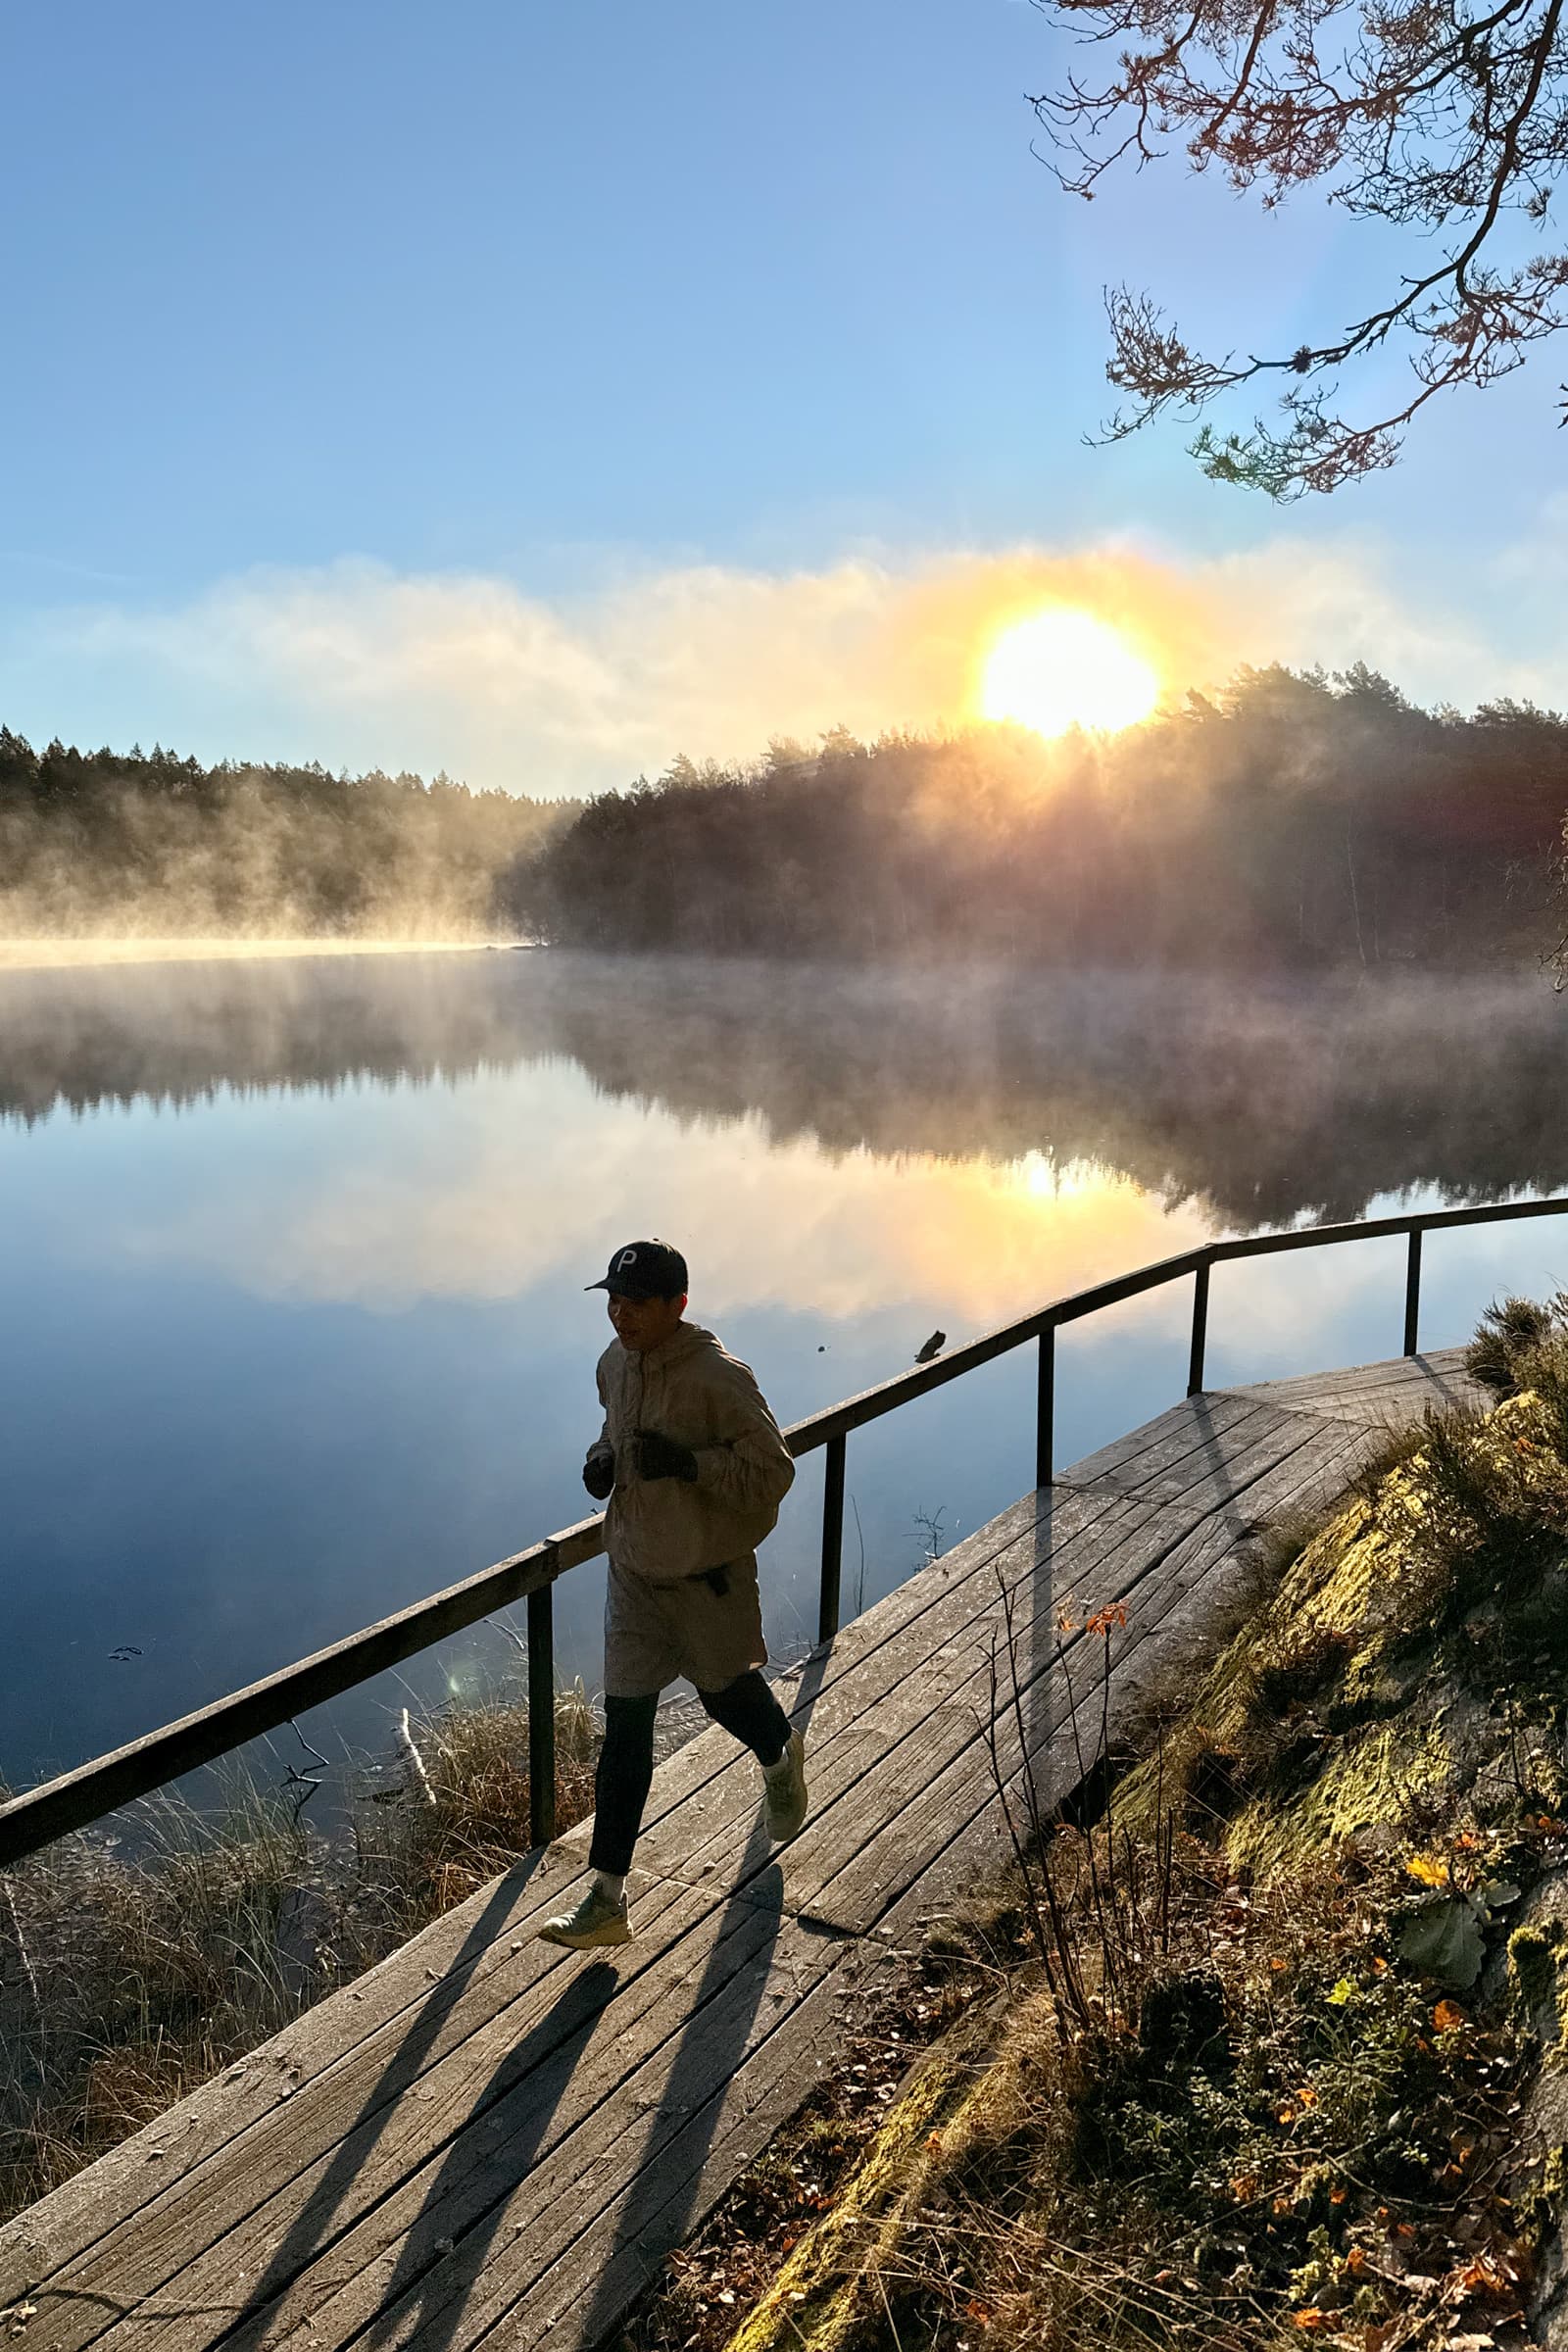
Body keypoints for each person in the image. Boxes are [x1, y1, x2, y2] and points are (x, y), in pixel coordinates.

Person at [538, 1238, 807, 1950]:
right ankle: (606, 1897)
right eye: (613, 1304)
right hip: (632, 1571)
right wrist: (603, 1459)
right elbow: (612, 1427)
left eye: (635, 1306)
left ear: (676, 1306)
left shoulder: (720, 1378)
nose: (620, 1318)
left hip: (703, 1579)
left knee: (725, 1695)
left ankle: (780, 1752)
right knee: (624, 1730)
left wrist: (690, 1464)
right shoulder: (612, 1365)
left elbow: (772, 1473)